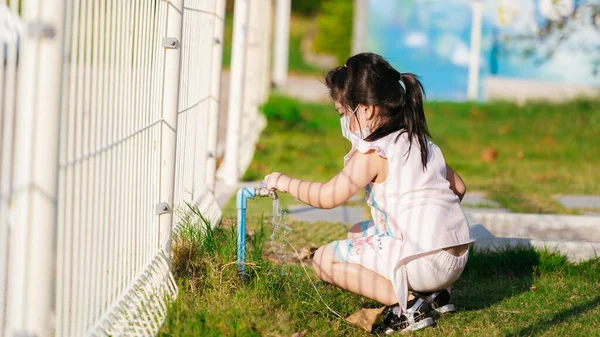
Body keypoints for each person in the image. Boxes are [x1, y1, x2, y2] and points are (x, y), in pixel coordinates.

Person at [263, 52, 473, 334]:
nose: (343, 123)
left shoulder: (374, 153)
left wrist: (284, 181)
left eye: (342, 113)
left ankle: (409, 304)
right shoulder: (420, 143)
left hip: (422, 264)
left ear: (366, 110)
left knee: (323, 261)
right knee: (356, 232)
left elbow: (327, 197)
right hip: (457, 258)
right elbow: (458, 187)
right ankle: (435, 294)